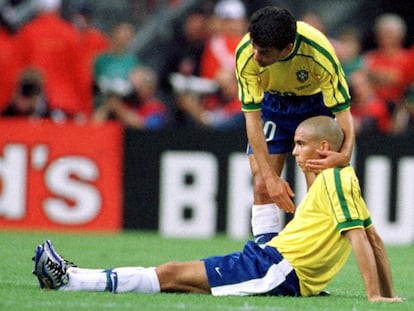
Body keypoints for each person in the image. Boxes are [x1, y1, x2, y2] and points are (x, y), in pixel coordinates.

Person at [32, 116, 403, 302]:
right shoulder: (341, 178)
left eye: (301, 144)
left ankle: (71, 280)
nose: (294, 151)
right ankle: (73, 278)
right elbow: (374, 239)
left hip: (276, 269)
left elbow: (359, 238)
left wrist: (374, 297)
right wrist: (387, 295)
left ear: (324, 147)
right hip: (271, 258)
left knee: (174, 273)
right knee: (180, 279)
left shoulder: (336, 180)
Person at [235, 6, 354, 238]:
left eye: (265, 52)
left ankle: (306, 259)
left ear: (287, 49)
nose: (256, 57)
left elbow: (343, 114)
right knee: (261, 185)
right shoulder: (246, 52)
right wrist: (270, 178)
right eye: (255, 48)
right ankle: (264, 257)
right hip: (273, 107)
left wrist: (345, 154)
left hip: (314, 106)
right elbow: (252, 119)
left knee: (317, 189)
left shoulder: (319, 52)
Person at [14, 0, 85, 120]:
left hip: (33, 105)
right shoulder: (70, 33)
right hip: (66, 104)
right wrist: (84, 109)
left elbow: (17, 72)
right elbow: (81, 75)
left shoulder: (27, 32)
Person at [93, 66, 167, 130]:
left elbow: (146, 127)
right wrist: (107, 107)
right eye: (131, 84)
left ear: (150, 88)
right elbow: (95, 124)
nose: (133, 90)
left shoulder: (155, 107)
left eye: (138, 86)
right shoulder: (124, 102)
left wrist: (119, 109)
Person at [93, 22, 141, 111]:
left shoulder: (133, 62)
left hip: (123, 106)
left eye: (128, 36)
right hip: (101, 103)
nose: (124, 39)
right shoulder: (100, 59)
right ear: (114, 34)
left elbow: (135, 87)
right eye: (122, 34)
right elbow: (94, 83)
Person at [175, 68, 244, 130]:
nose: (221, 90)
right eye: (219, 86)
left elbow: (219, 126)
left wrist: (193, 109)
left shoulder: (240, 105)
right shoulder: (219, 101)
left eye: (225, 87)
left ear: (236, 84)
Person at [349, 70, 391, 134]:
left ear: (370, 85)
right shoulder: (351, 107)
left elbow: (368, 125)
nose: (357, 90)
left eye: (361, 85)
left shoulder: (379, 106)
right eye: (354, 86)